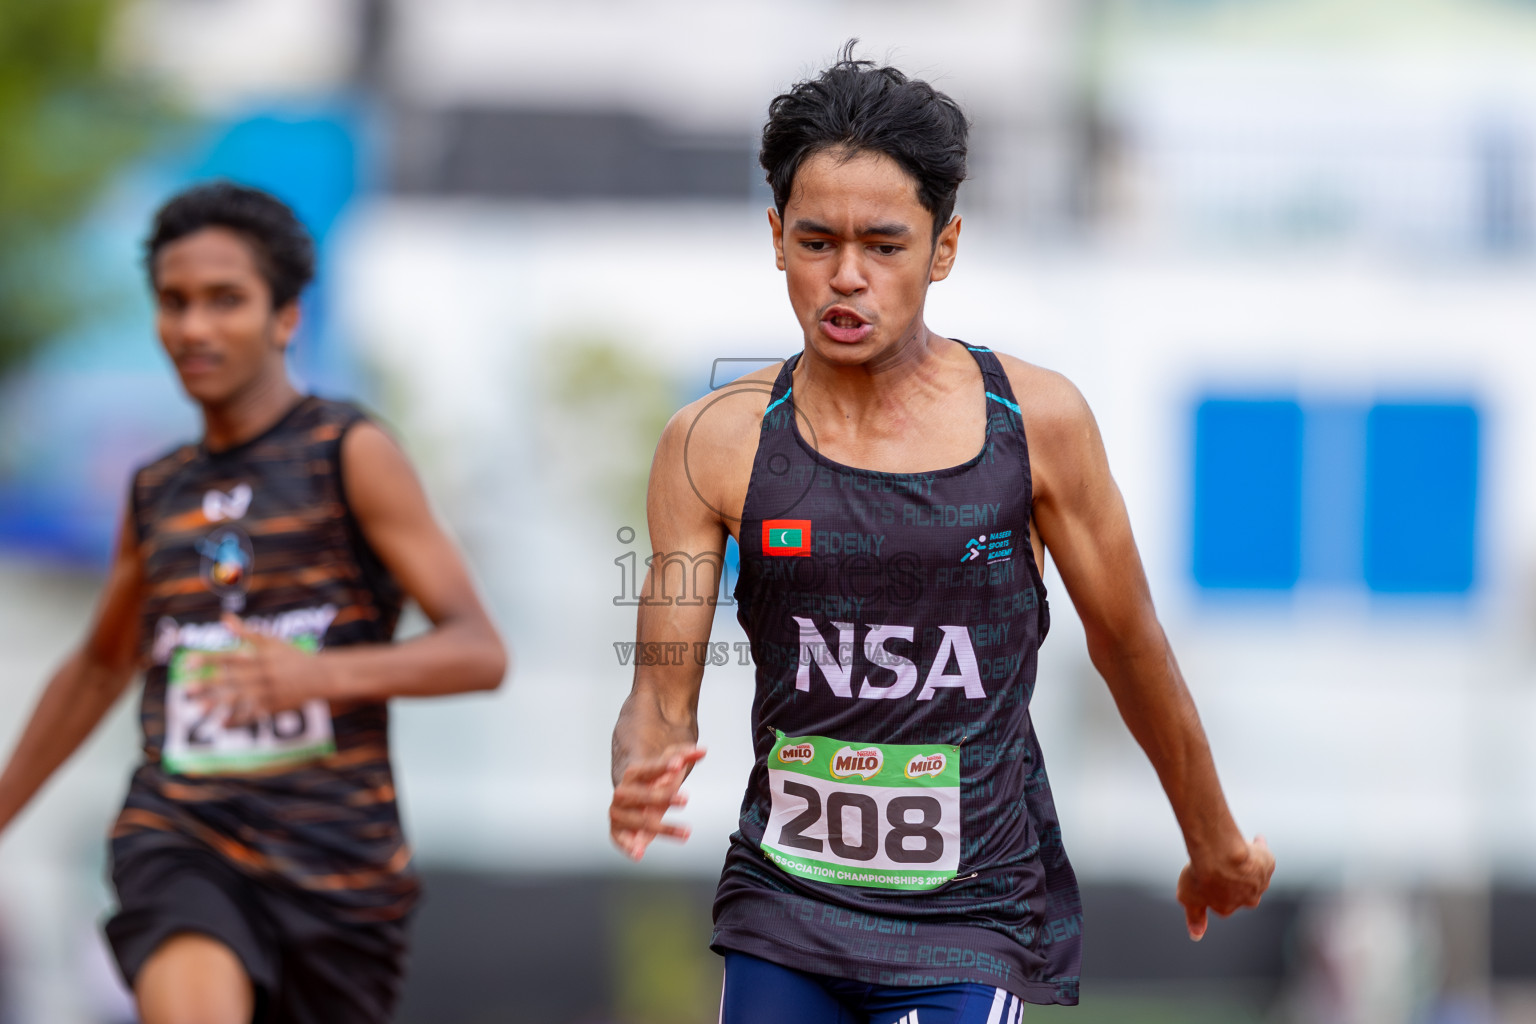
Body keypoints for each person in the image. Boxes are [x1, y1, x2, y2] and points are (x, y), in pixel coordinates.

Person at [608, 46, 1274, 1021]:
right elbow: (660, 698)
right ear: (776, 237)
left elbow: (1130, 642)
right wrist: (636, 767)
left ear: (944, 247)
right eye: (816, 241)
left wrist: (1212, 836)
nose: (847, 277)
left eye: (884, 245)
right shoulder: (714, 444)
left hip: (969, 919)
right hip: (784, 911)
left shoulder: (1034, 424)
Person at [0, 182, 508, 1024]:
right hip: (183, 835)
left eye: (225, 300)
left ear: (285, 317)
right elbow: (98, 665)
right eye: (174, 302)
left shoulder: (350, 453)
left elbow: (477, 650)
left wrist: (321, 677)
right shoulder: (157, 492)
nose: (194, 328)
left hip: (336, 873)